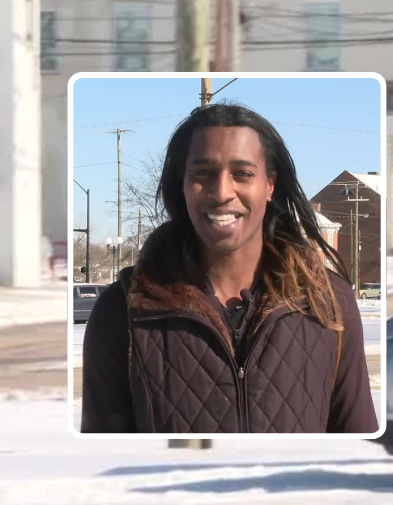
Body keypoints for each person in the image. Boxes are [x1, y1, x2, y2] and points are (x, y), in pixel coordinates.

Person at [80, 102, 377, 434]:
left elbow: (358, 447)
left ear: (270, 185)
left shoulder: (329, 302)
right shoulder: (123, 310)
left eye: (243, 174)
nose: (221, 192)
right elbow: (103, 454)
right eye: (203, 173)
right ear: (182, 184)